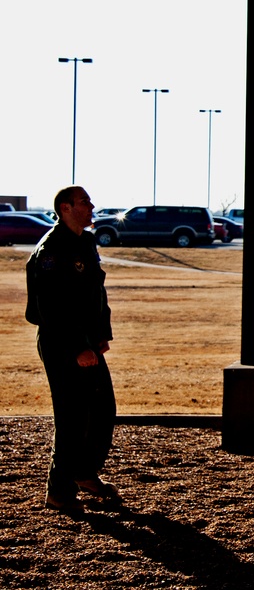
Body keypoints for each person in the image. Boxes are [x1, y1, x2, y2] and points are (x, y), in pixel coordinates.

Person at [25, 186, 119, 511]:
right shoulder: (51, 250)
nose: (91, 206)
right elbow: (51, 308)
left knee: (103, 410)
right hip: (62, 343)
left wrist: (100, 335)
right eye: (84, 202)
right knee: (72, 418)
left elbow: (96, 293)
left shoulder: (85, 242)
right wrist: (78, 347)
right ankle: (59, 490)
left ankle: (83, 471)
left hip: (87, 342)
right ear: (65, 208)